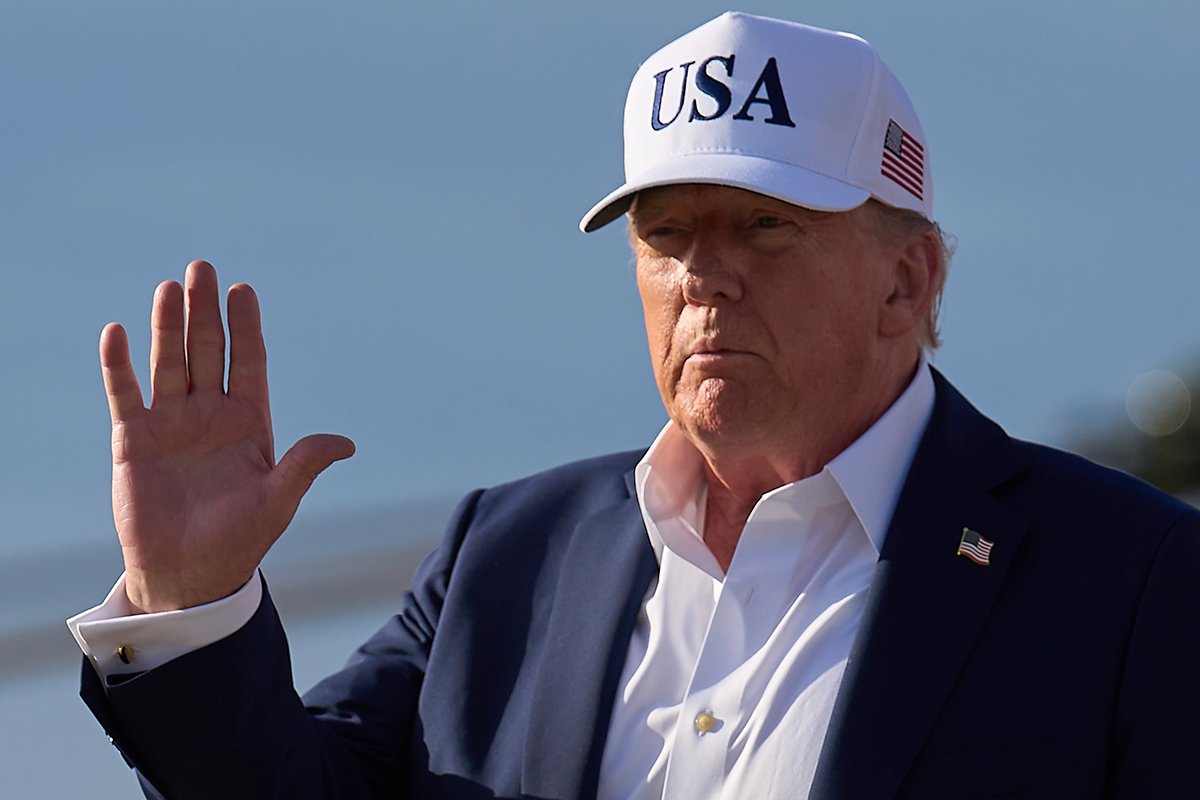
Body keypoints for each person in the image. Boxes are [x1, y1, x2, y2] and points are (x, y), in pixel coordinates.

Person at [69, 11, 1200, 799]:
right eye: (666, 234)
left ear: (908, 280)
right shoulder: (503, 555)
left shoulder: (1135, 579)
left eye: (766, 225)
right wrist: (192, 602)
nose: (704, 275)